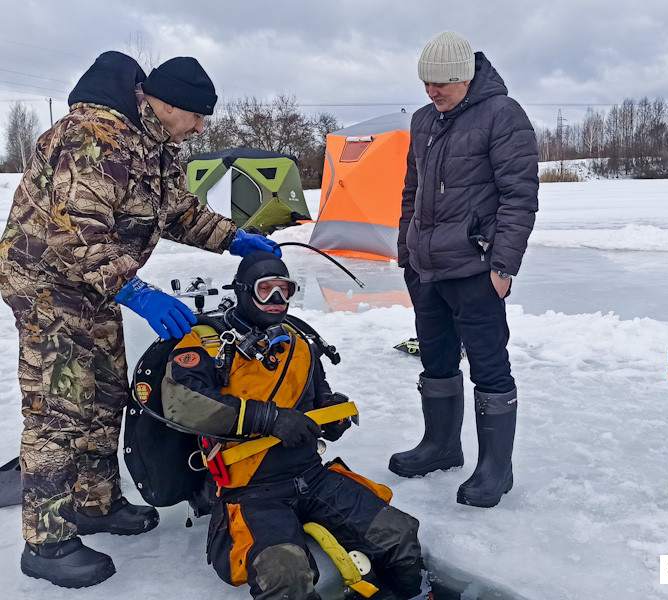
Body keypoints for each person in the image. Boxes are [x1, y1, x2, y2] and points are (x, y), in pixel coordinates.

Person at [0, 51, 280, 588]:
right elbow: (76, 235)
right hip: (46, 284)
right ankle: (47, 541)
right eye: (197, 116)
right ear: (167, 104)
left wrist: (232, 240)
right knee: (60, 410)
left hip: (94, 285)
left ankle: (94, 504)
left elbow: (180, 212)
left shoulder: (153, 145)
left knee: (105, 393)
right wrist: (139, 293)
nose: (200, 128)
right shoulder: (92, 137)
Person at [161, 251, 426, 600]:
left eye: (284, 290)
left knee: (398, 533)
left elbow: (317, 398)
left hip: (313, 477)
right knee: (285, 573)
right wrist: (267, 418)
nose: (276, 300)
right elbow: (181, 402)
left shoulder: (299, 344)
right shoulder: (207, 344)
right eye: (265, 290)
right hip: (251, 490)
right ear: (241, 291)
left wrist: (332, 414)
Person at [391, 31, 539, 508]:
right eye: (426, 83)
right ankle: (441, 446)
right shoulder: (422, 121)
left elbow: (520, 197)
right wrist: (405, 253)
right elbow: (411, 192)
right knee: (435, 360)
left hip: (476, 267)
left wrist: (503, 265)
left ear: (466, 76)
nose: (432, 92)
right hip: (427, 268)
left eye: (441, 83)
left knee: (490, 366)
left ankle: (497, 468)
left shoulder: (502, 115)